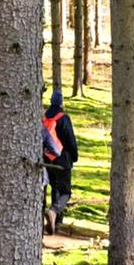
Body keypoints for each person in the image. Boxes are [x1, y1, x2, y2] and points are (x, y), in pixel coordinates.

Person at [41, 88, 79, 232]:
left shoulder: (44, 117)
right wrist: (74, 157)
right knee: (65, 192)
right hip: (62, 159)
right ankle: (54, 212)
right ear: (61, 102)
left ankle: (55, 223)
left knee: (55, 187)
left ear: (51, 101)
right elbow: (71, 141)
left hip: (47, 159)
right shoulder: (63, 118)